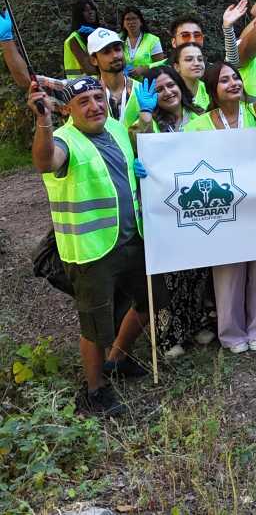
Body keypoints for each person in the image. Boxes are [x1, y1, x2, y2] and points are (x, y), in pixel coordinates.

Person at [29, 75, 151, 416]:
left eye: (98, 97)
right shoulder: (65, 140)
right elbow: (44, 161)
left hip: (131, 237)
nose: (95, 105)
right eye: (84, 102)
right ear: (68, 109)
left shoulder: (114, 127)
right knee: (96, 326)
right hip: (90, 248)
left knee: (149, 299)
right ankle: (94, 392)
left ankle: (118, 360)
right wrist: (43, 122)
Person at [184, 54, 256, 352]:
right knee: (227, 271)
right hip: (223, 206)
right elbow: (181, 160)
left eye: (236, 78)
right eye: (225, 79)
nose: (233, 83)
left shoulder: (254, 112)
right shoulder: (198, 124)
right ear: (213, 88)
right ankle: (230, 334)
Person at [127, 68, 212, 358]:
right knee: (170, 276)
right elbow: (137, 147)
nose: (168, 92)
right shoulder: (148, 123)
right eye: (160, 89)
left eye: (171, 85)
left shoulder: (202, 114)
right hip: (165, 207)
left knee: (198, 270)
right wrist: (145, 117)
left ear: (181, 86)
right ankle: (168, 336)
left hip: (202, 202)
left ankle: (195, 323)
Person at [87, 28, 139, 121]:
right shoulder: (88, 96)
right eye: (106, 52)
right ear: (94, 60)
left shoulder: (141, 89)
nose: (115, 55)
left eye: (117, 49)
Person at [64, 0, 100, 78]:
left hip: (97, 83)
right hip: (79, 85)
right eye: (85, 10)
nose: (90, 12)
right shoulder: (74, 38)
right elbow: (89, 69)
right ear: (79, 14)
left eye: (92, 9)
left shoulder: (95, 34)